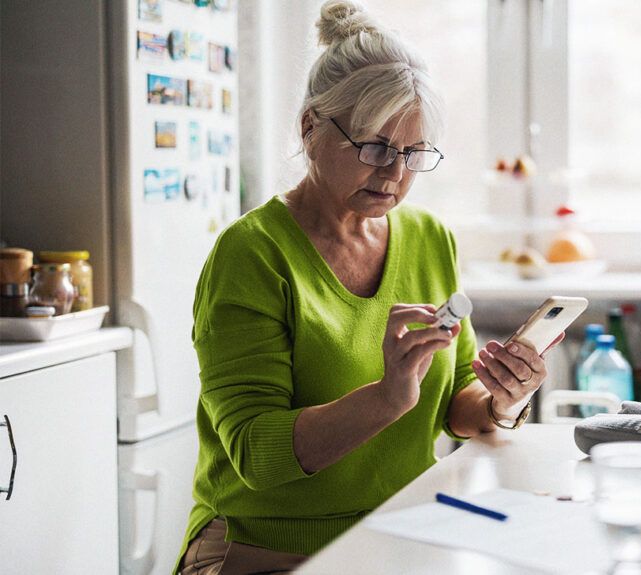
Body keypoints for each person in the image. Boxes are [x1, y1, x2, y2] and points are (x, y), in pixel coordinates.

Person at [176, 2, 563, 572]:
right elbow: (255, 453)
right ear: (311, 127)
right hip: (263, 548)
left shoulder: (430, 238)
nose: (393, 172)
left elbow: (458, 405)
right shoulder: (252, 253)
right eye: (375, 146)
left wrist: (504, 399)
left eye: (413, 153)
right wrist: (387, 396)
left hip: (398, 535)